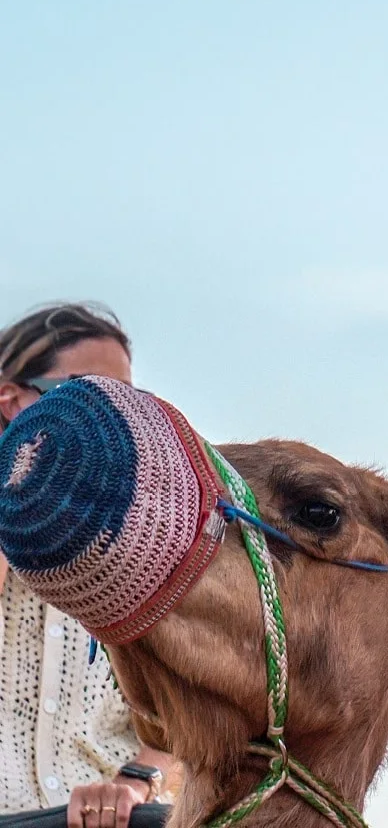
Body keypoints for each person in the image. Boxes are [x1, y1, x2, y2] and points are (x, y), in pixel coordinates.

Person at [0, 304, 179, 828]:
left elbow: (178, 727)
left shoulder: (148, 552)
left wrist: (135, 784)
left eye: (127, 401)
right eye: (86, 394)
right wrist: (23, 500)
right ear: (12, 401)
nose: (111, 417)